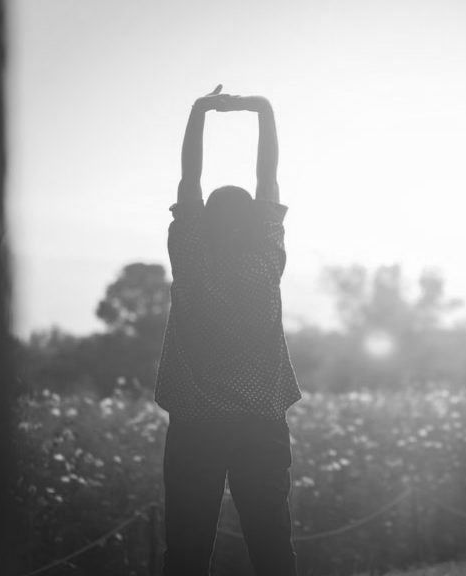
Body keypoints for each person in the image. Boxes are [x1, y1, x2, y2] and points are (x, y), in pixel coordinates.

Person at [154, 84, 303, 576]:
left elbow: (188, 178)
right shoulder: (266, 255)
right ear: (255, 222)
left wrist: (199, 111)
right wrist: (262, 109)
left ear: (203, 221)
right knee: (271, 542)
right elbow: (269, 175)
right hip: (261, 425)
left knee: (187, 548)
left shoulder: (191, 255)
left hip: (195, 428)